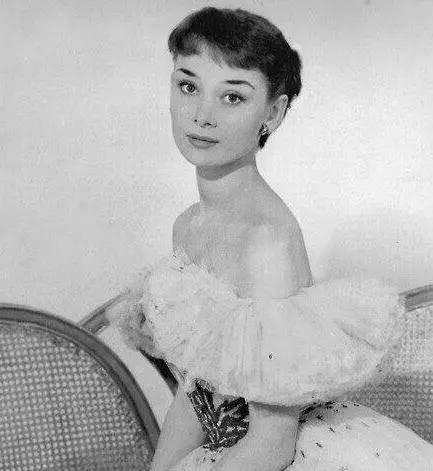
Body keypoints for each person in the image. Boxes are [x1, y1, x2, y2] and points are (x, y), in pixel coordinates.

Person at [108, 6, 433, 471]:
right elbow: (198, 393)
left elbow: (272, 446)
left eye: (233, 97)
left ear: (273, 113)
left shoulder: (266, 242)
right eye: (188, 86)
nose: (201, 115)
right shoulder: (188, 225)